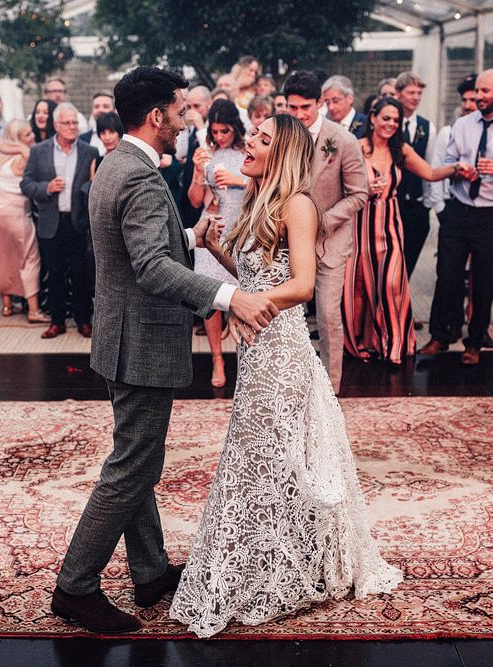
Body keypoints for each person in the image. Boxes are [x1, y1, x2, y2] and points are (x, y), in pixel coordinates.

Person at [50, 65, 278, 635]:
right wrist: (232, 296)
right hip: (141, 340)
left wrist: (190, 236)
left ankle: (150, 574)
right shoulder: (142, 178)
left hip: (121, 334)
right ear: (157, 116)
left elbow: (131, 244)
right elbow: (150, 267)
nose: (187, 120)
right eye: (180, 110)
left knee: (139, 458)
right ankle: (75, 587)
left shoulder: (117, 163)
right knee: (132, 466)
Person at [169, 113, 403, 638]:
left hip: (283, 356)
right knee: (260, 457)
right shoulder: (256, 202)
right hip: (258, 351)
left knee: (277, 455)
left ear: (283, 154)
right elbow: (254, 275)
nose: (248, 143)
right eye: (253, 135)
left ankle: (292, 567)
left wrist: (243, 305)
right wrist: (213, 250)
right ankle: (267, 558)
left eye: (262, 140)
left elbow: (299, 286)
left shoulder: (299, 204)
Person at [342, 97, 474, 366]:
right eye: (386, 118)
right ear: (373, 118)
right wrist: (363, 191)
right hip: (360, 225)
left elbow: (430, 173)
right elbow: (337, 184)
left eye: (395, 120)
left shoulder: (400, 149)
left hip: (390, 227)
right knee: (360, 289)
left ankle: (395, 345)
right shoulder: (356, 148)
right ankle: (362, 344)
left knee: (391, 284)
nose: (390, 124)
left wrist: (456, 169)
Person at [284, 70, 368, 394]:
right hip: (288, 241)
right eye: (292, 108)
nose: (299, 115)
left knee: (329, 316)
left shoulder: (342, 140)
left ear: (320, 102)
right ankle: (293, 378)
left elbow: (359, 194)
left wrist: (323, 221)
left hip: (330, 242)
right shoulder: (282, 134)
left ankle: (331, 389)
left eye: (306, 107)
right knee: (288, 315)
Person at [421, 69, 493, 366]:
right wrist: (459, 168)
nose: (479, 97)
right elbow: (446, 163)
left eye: (486, 92)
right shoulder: (462, 124)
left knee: (484, 281)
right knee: (447, 275)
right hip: (458, 210)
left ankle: (474, 342)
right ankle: (439, 335)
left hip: (489, 215)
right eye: (478, 90)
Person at [20, 102, 98, 339]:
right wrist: (47, 187)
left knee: (80, 273)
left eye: (75, 122)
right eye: (67, 122)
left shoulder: (89, 152)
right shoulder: (39, 151)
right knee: (54, 274)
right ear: (56, 125)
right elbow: (26, 184)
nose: (72, 127)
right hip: (50, 222)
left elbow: (94, 185)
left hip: (77, 222)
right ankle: (57, 321)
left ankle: (84, 320)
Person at [187, 99, 246, 387]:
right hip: (213, 232)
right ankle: (217, 360)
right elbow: (196, 201)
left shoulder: (250, 152)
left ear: (236, 128)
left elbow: (267, 188)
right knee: (212, 299)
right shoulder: (206, 153)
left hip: (242, 232)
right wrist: (199, 174)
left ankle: (244, 359)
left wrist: (238, 180)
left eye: (226, 131)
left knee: (240, 299)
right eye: (216, 131)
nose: (220, 136)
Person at [0, 119, 50, 322]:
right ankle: (34, 310)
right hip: (16, 213)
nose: (33, 137)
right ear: (18, 139)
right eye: (27, 135)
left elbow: (0, 143)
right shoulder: (26, 155)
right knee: (29, 258)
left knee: (3, 258)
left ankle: (6, 306)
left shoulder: (2, 155)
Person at [395, 72, 437, 279]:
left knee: (408, 263)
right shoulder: (388, 122)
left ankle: (402, 304)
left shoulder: (427, 127)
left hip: (416, 207)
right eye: (411, 92)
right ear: (398, 93)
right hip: (393, 203)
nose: (416, 97)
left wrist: (427, 203)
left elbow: (430, 166)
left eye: (419, 93)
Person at [179, 85, 212, 228]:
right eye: (189, 106)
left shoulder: (213, 127)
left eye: (197, 106)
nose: (192, 111)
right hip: (188, 190)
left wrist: (201, 127)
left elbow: (210, 155)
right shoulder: (190, 127)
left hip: (205, 195)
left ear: (209, 104)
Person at [79, 91, 116, 156]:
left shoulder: (123, 137)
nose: (100, 110)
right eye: (96, 107)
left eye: (105, 106)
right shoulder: (82, 139)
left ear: (114, 110)